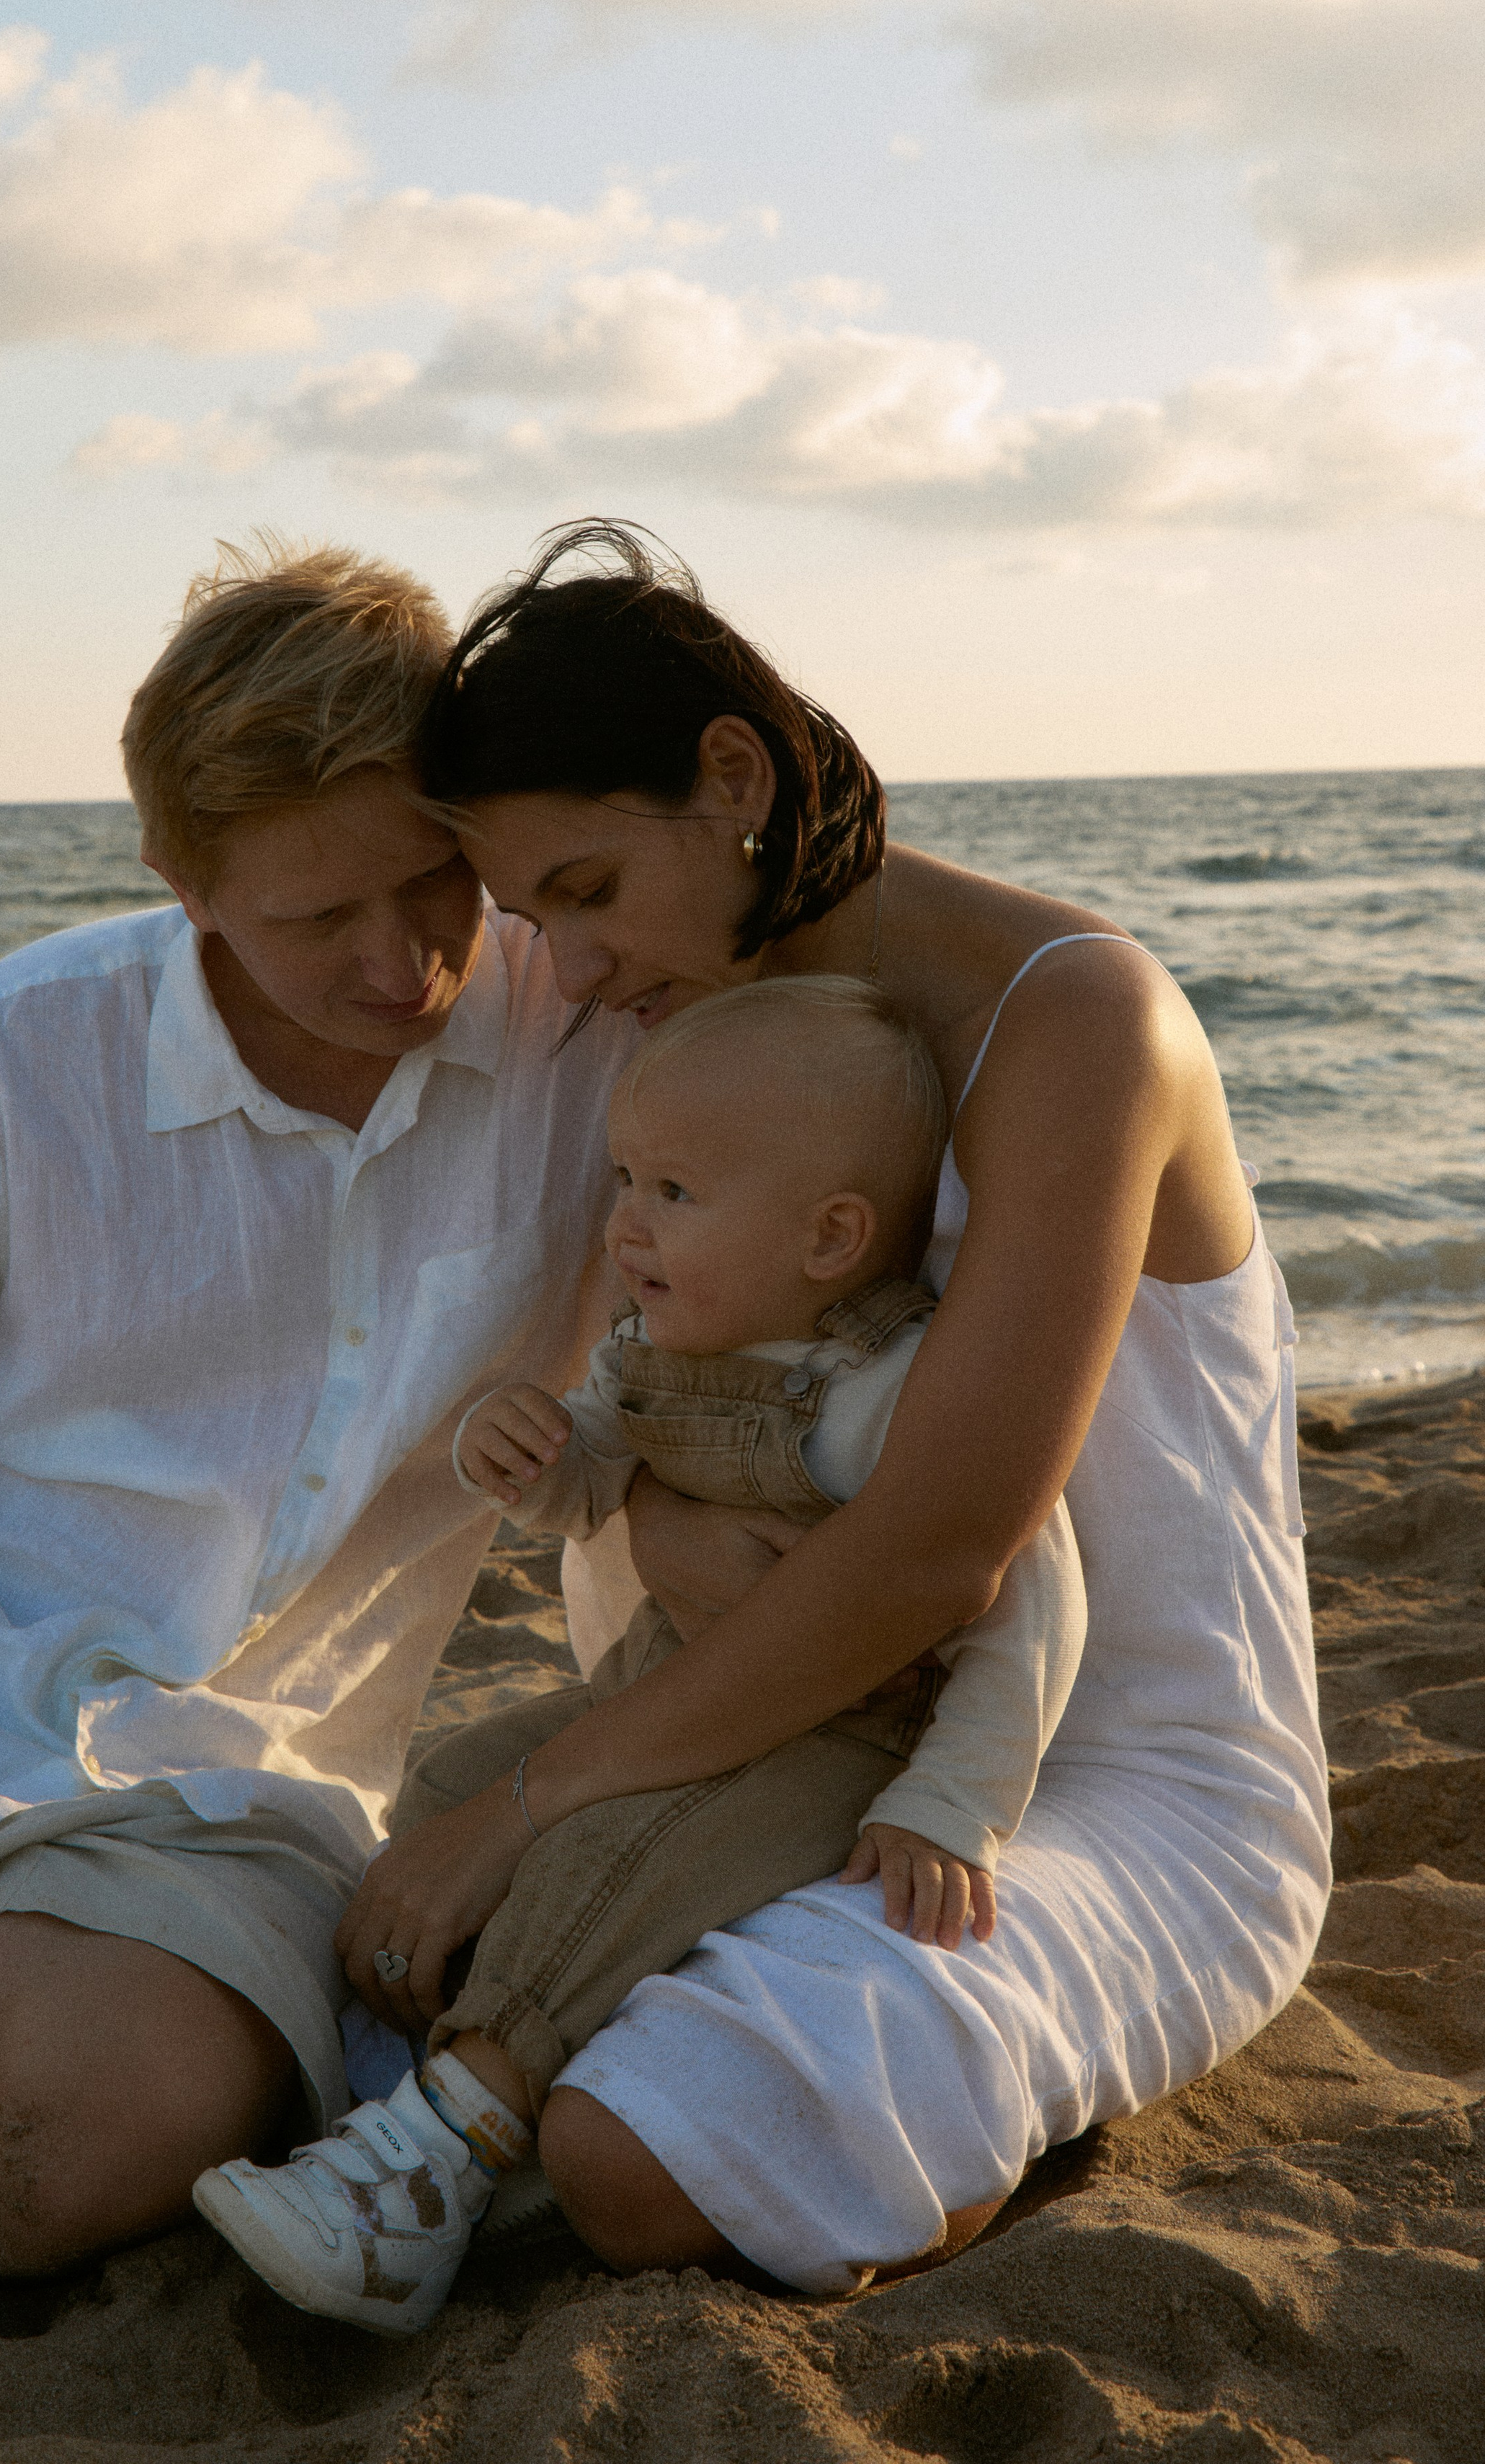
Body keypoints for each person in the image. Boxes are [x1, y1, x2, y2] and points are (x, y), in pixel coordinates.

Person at [330, 519, 1332, 2301]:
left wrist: (526, 1805)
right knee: (337, 1964)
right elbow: (673, 1418)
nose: (558, 970)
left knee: (639, 2146)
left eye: (581, 890)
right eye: (520, 917)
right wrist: (633, 1516)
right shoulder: (700, 1025)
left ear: (731, 778)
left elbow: (941, 1550)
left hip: (1091, 1784)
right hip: (763, 1743)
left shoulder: (1074, 1019)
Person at [0, 541, 631, 2290]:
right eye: (318, 917)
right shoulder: (9, 1054)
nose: (402, 964)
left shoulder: (594, 1039)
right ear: (179, 878)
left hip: (248, 1774)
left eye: (432, 885)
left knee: (35, 2173)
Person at [195, 974, 1086, 2333]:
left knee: (612, 1858)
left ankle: (428, 2174)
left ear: (832, 1236)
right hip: (661, 1697)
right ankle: (410, 2086)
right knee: (447, 1788)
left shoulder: (881, 1393)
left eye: (674, 1192)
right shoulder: (655, 1353)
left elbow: (1032, 1605)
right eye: (621, 1178)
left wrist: (950, 1803)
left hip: (840, 1744)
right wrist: (526, 1451)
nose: (624, 1223)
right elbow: (592, 1474)